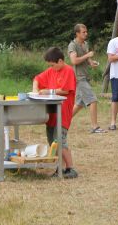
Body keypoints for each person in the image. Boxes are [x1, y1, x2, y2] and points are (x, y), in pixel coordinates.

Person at [32, 47, 78, 178]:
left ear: (60, 61)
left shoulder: (68, 71)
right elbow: (37, 79)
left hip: (63, 112)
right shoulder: (51, 71)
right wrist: (35, 90)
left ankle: (70, 168)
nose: (51, 68)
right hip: (51, 114)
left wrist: (48, 91)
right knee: (52, 141)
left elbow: (65, 90)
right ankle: (60, 168)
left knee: (60, 140)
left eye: (52, 65)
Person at [69, 23, 106, 134]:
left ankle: (61, 122)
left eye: (86, 31)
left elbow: (86, 59)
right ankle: (95, 127)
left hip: (86, 77)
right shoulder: (72, 45)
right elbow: (74, 61)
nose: (86, 33)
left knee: (79, 105)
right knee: (93, 100)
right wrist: (87, 56)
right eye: (83, 32)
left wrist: (91, 63)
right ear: (77, 33)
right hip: (79, 78)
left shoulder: (85, 44)